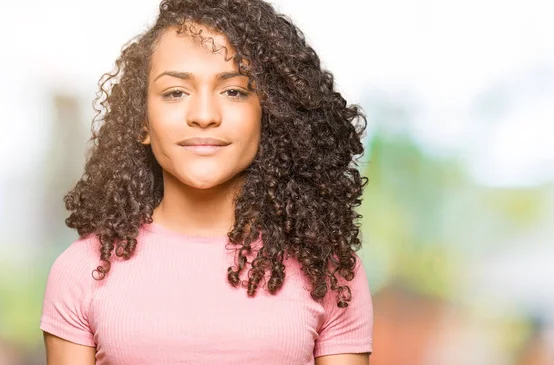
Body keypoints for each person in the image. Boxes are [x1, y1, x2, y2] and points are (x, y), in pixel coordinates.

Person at [40, 0, 373, 364]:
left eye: (234, 91)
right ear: (141, 122)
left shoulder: (329, 272)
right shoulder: (81, 270)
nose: (203, 116)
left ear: (271, 115)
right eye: (175, 92)